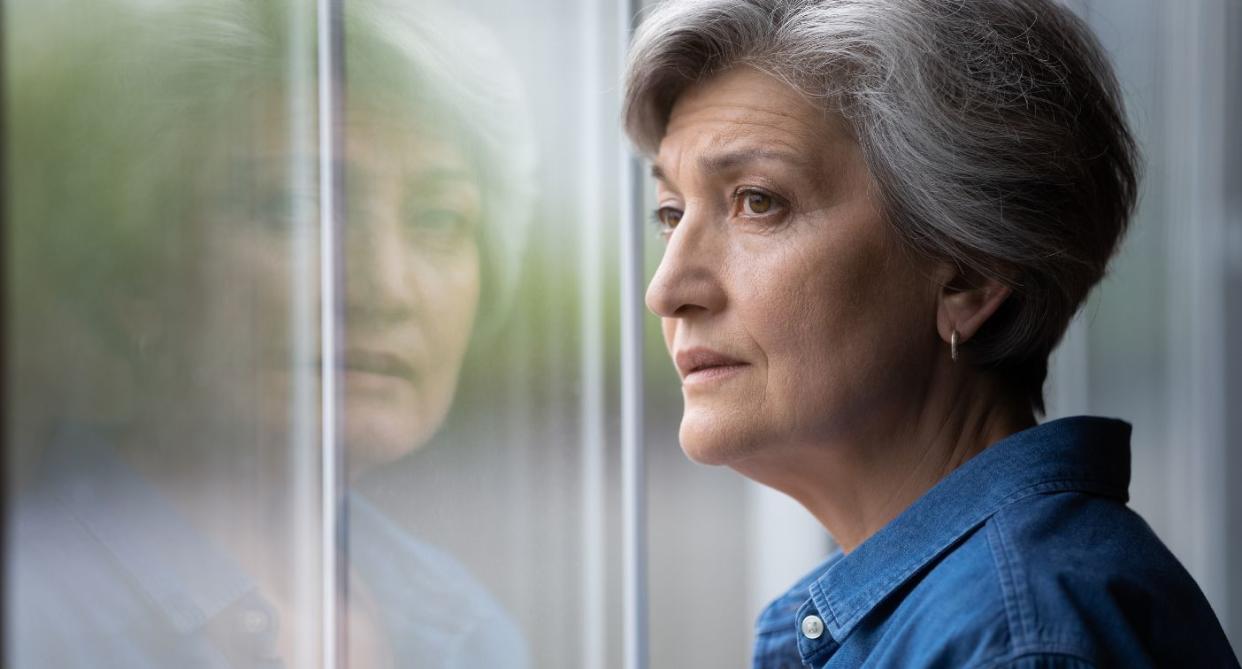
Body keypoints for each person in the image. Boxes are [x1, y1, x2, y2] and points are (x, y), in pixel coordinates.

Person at [622, 0, 1239, 667]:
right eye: (670, 211)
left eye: (759, 201)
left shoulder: (1014, 642)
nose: (666, 288)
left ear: (969, 276)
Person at [8, 0, 533, 666]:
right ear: (133, 271)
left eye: (438, 219)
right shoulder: (35, 615)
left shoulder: (468, 628)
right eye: (291, 206)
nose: (387, 290)